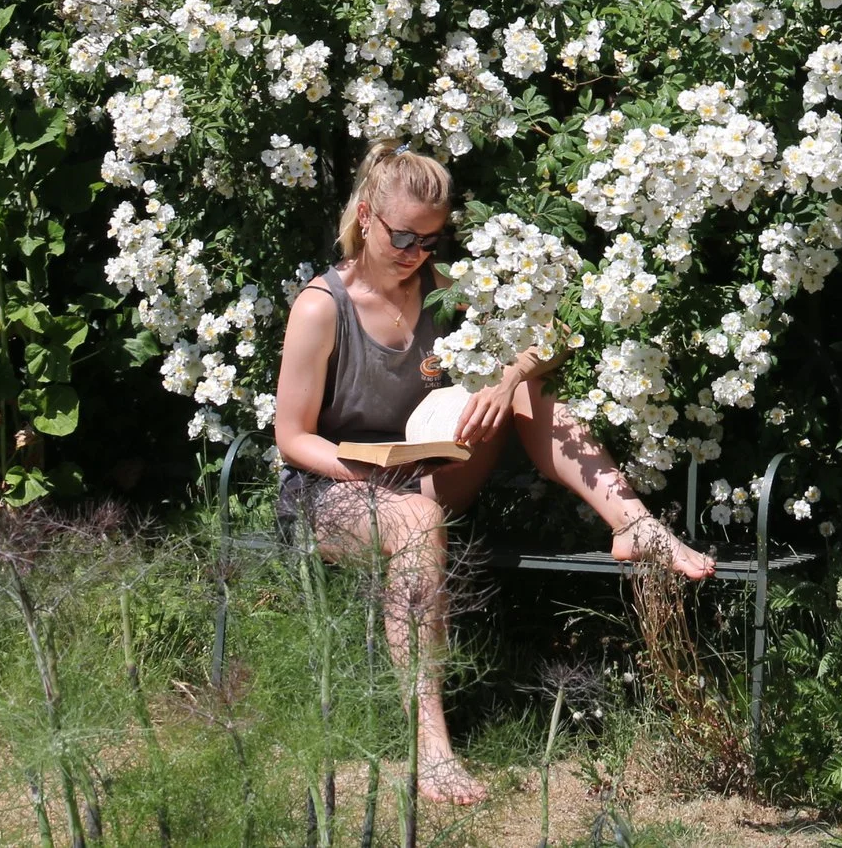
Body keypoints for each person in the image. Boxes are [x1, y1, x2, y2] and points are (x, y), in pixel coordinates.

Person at [273, 144, 715, 805]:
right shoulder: (321, 306)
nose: (417, 252)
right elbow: (291, 437)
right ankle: (432, 751)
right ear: (366, 217)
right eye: (404, 237)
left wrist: (505, 378)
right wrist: (365, 468)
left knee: (529, 390)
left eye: (432, 239)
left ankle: (634, 524)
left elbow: (553, 334)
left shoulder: (443, 287)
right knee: (416, 518)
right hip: (333, 488)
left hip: (424, 471)